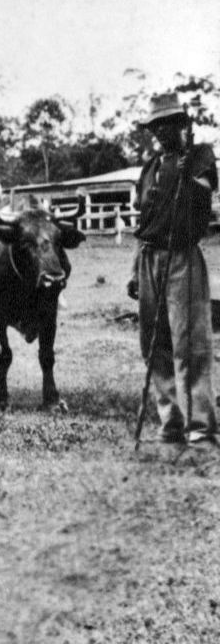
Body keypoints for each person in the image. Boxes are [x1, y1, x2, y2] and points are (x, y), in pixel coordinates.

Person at [127, 92, 219, 445]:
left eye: (169, 125)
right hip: (150, 256)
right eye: (157, 126)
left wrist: (187, 178)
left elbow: (204, 193)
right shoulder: (149, 168)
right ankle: (171, 421)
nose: (163, 132)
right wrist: (136, 268)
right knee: (154, 344)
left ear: (183, 125)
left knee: (191, 343)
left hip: (182, 257)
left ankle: (202, 425)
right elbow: (143, 223)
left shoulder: (199, 156)